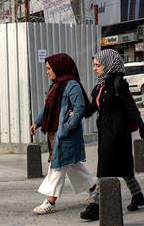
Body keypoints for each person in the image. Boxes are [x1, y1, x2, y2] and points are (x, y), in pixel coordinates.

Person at [80, 49, 144, 221]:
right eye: (94, 66)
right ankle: (138, 195)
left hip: (118, 132)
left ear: (109, 65)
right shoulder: (100, 86)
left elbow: (131, 108)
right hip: (105, 131)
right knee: (124, 166)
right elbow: (91, 109)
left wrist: (142, 127)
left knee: (105, 167)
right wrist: (77, 108)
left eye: (98, 66)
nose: (95, 69)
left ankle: (95, 205)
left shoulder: (119, 84)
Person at [30, 53, 94, 215]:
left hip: (67, 135)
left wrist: (66, 127)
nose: (47, 72)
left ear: (59, 67)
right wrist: (37, 123)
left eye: (49, 68)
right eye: (46, 69)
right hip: (55, 133)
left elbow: (79, 108)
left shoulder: (72, 85)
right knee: (73, 165)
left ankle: (50, 201)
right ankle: (95, 190)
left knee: (57, 165)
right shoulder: (56, 85)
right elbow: (47, 109)